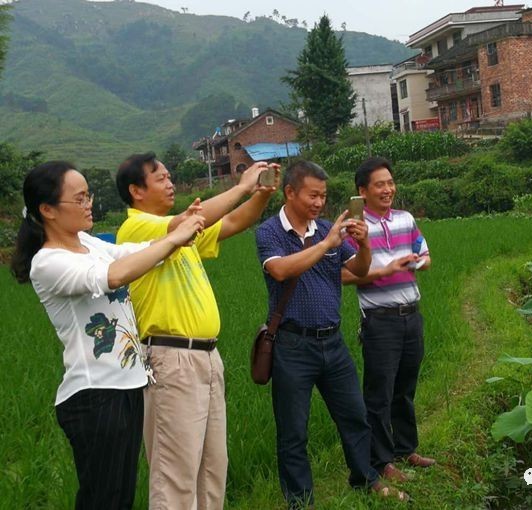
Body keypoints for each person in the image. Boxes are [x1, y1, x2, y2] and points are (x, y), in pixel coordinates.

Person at [10, 161, 204, 509]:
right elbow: (114, 275)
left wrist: (178, 231)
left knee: (119, 497)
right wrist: (174, 236)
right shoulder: (48, 261)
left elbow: (131, 254)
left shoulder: (87, 243)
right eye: (80, 199)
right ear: (47, 210)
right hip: (95, 395)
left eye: (89, 196)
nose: (89, 205)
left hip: (127, 387)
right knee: (104, 500)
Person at [115, 152, 278, 510]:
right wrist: (242, 186)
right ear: (136, 191)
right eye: (160, 178)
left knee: (211, 468)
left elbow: (234, 221)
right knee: (176, 474)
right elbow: (197, 218)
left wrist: (262, 193)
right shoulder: (138, 228)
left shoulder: (183, 233)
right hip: (171, 359)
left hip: (206, 358)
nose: (170, 183)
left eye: (170, 176)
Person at [255, 160, 408, 509]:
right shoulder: (270, 232)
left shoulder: (327, 228)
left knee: (354, 415)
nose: (319, 203)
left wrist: (364, 244)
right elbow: (280, 270)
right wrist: (326, 244)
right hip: (293, 345)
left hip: (333, 342)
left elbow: (360, 269)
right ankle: (300, 500)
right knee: (293, 431)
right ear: (290, 191)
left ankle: (365, 478)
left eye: (323, 196)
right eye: (312, 195)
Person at [342, 156, 435, 484]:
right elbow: (343, 274)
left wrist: (414, 263)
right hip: (380, 321)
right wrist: (386, 269)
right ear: (362, 191)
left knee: (405, 387)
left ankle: (406, 447)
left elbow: (426, 256)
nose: (388, 189)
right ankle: (381, 461)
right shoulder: (353, 229)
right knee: (379, 394)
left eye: (390, 183)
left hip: (411, 316)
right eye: (379, 184)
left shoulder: (405, 219)